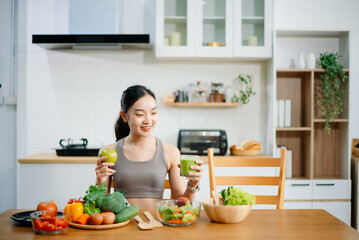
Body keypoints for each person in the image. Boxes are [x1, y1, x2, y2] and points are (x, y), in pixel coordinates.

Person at [95, 85, 203, 210]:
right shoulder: (109, 152)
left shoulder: (171, 152)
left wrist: (192, 185)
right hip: (122, 225)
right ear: (124, 116)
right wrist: (99, 182)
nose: (148, 120)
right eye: (140, 114)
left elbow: (181, 205)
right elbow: (101, 208)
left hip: (156, 224)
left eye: (153, 113)